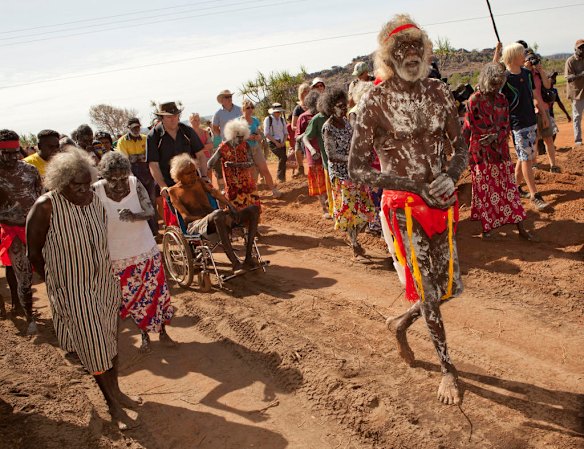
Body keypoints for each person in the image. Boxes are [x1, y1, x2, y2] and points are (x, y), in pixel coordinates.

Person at [349, 14, 468, 405]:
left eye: (417, 46)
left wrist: (450, 176)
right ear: (388, 55)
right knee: (430, 292)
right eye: (402, 49)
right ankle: (447, 369)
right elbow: (357, 168)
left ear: (426, 49)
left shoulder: (438, 92)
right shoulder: (375, 102)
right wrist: (413, 184)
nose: (411, 54)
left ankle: (400, 323)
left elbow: (460, 148)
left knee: (447, 288)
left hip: (442, 202)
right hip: (403, 207)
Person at [26, 147, 139, 430]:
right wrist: (58, 281)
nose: (83, 190)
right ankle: (112, 407)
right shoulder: (45, 206)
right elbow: (34, 253)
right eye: (76, 186)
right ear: (60, 182)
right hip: (73, 290)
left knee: (109, 345)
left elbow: (101, 243)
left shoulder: (94, 202)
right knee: (93, 347)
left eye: (86, 184)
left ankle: (118, 392)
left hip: (103, 284)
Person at [94, 152, 175, 353]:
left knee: (157, 293)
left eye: (123, 178)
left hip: (145, 251)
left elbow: (150, 212)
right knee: (132, 300)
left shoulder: (134, 183)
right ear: (104, 176)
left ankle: (163, 332)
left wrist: (134, 215)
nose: (120, 184)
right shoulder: (96, 191)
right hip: (118, 257)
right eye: (114, 180)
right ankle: (144, 335)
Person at [462, 63, 532, 239]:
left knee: (509, 189)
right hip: (481, 154)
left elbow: (506, 125)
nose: (496, 88)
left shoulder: (502, 100)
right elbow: (470, 127)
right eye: (493, 84)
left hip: (500, 152)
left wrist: (497, 137)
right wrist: (462, 152)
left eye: (498, 84)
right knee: (486, 190)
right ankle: (488, 228)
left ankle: (521, 227)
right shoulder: (474, 100)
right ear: (486, 81)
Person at [168, 154, 260, 273]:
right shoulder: (174, 191)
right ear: (179, 175)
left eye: (194, 171)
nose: (194, 175)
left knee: (253, 209)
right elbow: (186, 218)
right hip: (196, 225)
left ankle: (248, 258)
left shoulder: (199, 182)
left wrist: (231, 207)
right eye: (189, 173)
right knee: (217, 215)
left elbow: (214, 193)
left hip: (217, 218)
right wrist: (211, 216)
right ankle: (235, 263)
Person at [321, 88, 374, 258]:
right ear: (330, 108)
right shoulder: (327, 127)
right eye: (339, 106)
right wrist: (352, 159)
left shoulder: (347, 123)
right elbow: (331, 155)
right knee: (349, 211)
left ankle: (354, 238)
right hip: (340, 175)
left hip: (355, 172)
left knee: (365, 208)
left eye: (345, 106)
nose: (344, 109)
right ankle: (354, 243)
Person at [0, 130, 41, 332]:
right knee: (22, 275)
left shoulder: (30, 170)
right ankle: (28, 314)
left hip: (35, 229)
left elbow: (40, 198)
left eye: (14, 152)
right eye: (5, 153)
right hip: (11, 231)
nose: (11, 157)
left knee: (48, 271)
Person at [500, 43, 550, 210]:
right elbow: (499, 103)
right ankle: (535, 195)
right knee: (527, 158)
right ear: (514, 56)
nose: (525, 56)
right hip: (518, 125)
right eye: (522, 53)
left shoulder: (528, 74)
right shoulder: (505, 78)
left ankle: (513, 188)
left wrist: (544, 115)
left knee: (524, 157)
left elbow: (535, 96)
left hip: (531, 121)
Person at [146, 101, 204, 225]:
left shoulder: (187, 131)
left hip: (193, 181)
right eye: (169, 117)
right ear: (162, 118)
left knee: (203, 211)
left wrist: (204, 176)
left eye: (175, 116)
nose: (173, 119)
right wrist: (162, 185)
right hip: (171, 185)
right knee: (184, 219)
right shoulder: (154, 137)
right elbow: (153, 165)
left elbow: (200, 155)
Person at [208, 120, 261, 211]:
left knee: (253, 208)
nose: (241, 139)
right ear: (232, 135)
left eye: (242, 137)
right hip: (232, 185)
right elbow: (210, 163)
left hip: (247, 183)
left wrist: (234, 165)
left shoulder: (245, 145)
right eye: (238, 137)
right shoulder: (223, 147)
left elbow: (251, 163)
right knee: (236, 211)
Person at [117, 117, 159, 235]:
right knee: (138, 203)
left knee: (151, 202)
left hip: (148, 174)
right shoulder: (122, 141)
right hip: (133, 175)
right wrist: (132, 179)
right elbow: (125, 161)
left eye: (138, 127)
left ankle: (155, 231)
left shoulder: (146, 139)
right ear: (128, 128)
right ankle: (144, 232)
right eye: (133, 127)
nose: (136, 129)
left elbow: (151, 158)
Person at [524, 50, 560, 172]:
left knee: (548, 138)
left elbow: (548, 85)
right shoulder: (523, 74)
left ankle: (553, 165)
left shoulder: (538, 74)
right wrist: (526, 69)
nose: (532, 62)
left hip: (544, 109)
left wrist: (540, 70)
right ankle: (534, 165)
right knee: (533, 140)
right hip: (530, 111)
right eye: (530, 60)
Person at [241, 99, 282, 198]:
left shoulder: (255, 120)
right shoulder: (240, 121)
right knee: (252, 174)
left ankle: (274, 190)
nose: (250, 109)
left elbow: (259, 132)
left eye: (252, 107)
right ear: (243, 109)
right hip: (245, 150)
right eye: (248, 108)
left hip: (256, 147)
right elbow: (237, 137)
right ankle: (252, 194)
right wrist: (247, 137)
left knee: (265, 169)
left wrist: (259, 136)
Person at [298, 91, 329, 217]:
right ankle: (325, 209)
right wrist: (308, 133)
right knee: (319, 184)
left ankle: (331, 206)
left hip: (326, 154)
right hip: (313, 156)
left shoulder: (325, 115)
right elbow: (298, 137)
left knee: (328, 182)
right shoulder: (303, 117)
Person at [303, 95, 334, 218]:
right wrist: (311, 149)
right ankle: (329, 209)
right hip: (325, 161)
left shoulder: (338, 116)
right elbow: (305, 136)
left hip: (341, 161)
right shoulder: (317, 119)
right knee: (326, 187)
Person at [565, 39, 584, 147]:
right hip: (577, 93)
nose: (582, 50)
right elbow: (569, 78)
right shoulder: (570, 61)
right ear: (575, 49)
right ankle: (578, 140)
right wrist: (581, 74)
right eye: (580, 48)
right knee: (577, 117)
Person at [263, 103, 289, 183]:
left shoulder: (282, 119)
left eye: (279, 112)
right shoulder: (268, 119)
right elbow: (266, 133)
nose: (278, 113)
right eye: (277, 111)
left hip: (282, 141)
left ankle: (282, 178)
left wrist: (283, 141)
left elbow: (285, 132)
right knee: (283, 157)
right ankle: (279, 177)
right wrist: (276, 142)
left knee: (283, 158)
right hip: (272, 142)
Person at [291, 82, 311, 177]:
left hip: (312, 134)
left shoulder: (313, 107)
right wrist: (301, 131)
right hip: (300, 135)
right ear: (300, 94)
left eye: (308, 91)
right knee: (297, 151)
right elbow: (293, 126)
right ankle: (301, 169)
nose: (306, 94)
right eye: (304, 92)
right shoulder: (298, 109)